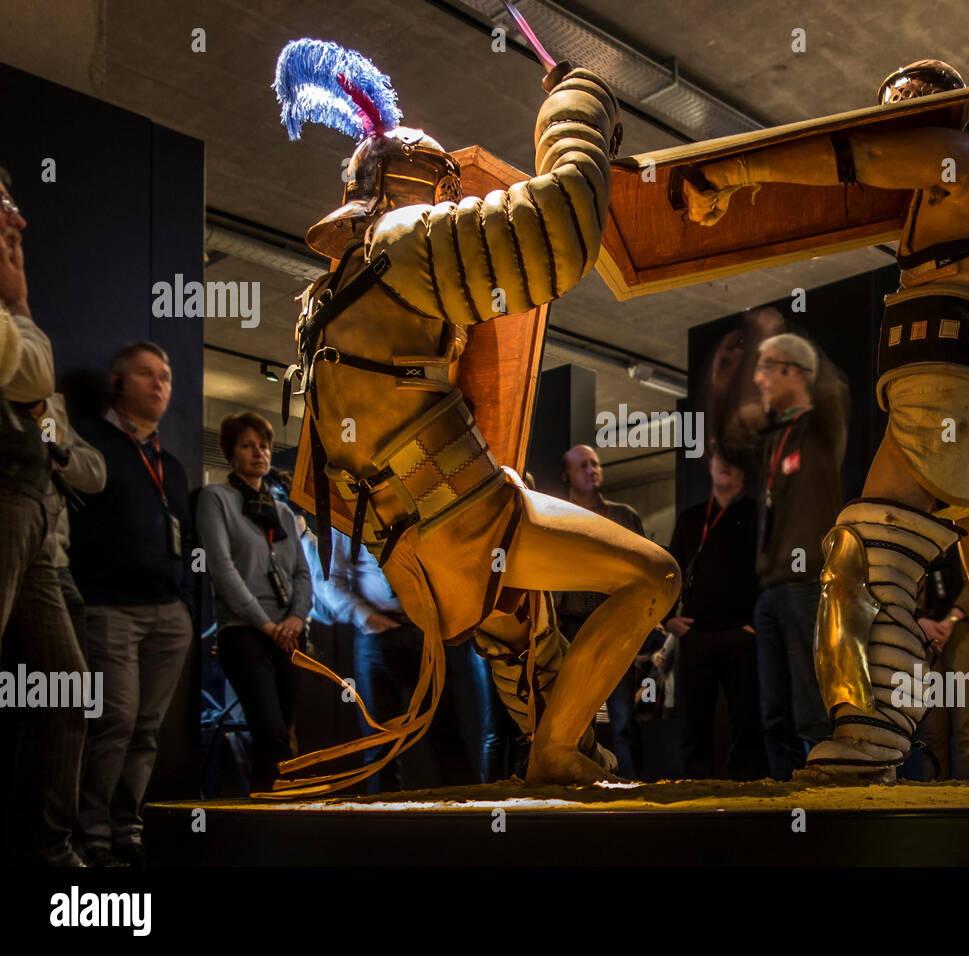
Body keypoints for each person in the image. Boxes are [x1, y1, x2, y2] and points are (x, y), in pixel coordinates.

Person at [270, 39, 677, 793]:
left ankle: (563, 757)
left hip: (416, 540)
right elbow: (560, 229)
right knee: (654, 576)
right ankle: (557, 754)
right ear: (420, 184)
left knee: (528, 635)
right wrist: (578, 106)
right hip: (462, 517)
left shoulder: (333, 291)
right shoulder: (401, 240)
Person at [684, 58, 969, 782]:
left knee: (862, 552)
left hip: (942, 399)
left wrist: (732, 175)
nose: (890, 115)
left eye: (906, 104)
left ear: (945, 111)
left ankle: (870, 747)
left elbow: (856, 154)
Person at [71, 341, 195, 865]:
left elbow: (188, 542)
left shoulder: (170, 463)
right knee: (114, 721)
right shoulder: (91, 442)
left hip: (168, 614)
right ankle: (92, 831)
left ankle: (129, 825)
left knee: (146, 729)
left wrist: (186, 601)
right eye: (146, 374)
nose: (160, 384)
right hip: (110, 610)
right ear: (118, 383)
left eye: (165, 376)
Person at [0, 168, 90, 867]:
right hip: (7, 497)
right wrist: (22, 305)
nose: (18, 223)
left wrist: (47, 426)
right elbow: (33, 380)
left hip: (38, 525)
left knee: (67, 689)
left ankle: (51, 851)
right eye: (4, 207)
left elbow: (75, 456)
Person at [322, 524, 504, 790]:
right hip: (376, 635)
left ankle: (464, 820)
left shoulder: (419, 506)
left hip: (426, 631)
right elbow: (331, 581)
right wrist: (369, 619)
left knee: (447, 732)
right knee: (379, 743)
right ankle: (383, 823)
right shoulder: (347, 517)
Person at [196, 413, 312, 794]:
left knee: (285, 733)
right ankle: (263, 811)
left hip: (291, 637)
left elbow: (302, 574)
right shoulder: (217, 499)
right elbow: (223, 569)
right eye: (247, 445)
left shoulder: (281, 512)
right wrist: (267, 626)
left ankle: (271, 806)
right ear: (230, 453)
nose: (259, 452)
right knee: (271, 732)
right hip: (245, 633)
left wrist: (296, 618)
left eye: (263, 445)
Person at [749, 333, 844, 779]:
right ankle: (785, 800)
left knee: (810, 706)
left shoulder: (822, 423)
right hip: (771, 592)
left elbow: (832, 384)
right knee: (773, 713)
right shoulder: (776, 437)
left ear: (793, 372)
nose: (758, 378)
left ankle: (826, 796)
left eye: (766, 367)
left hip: (806, 589)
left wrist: (786, 337)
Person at [663, 443, 764, 780]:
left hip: (741, 635)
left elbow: (772, 571)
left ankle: (747, 794)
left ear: (744, 470)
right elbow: (669, 570)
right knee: (694, 722)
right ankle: (696, 790)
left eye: (734, 460)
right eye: (721, 458)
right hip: (695, 634)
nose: (726, 466)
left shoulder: (757, 514)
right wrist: (667, 620)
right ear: (709, 466)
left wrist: (756, 625)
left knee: (748, 721)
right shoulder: (692, 517)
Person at [554, 443, 653, 778]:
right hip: (571, 628)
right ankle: (580, 782)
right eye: (583, 465)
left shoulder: (624, 516)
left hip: (614, 626)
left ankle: (630, 785)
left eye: (595, 464)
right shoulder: (557, 518)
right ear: (567, 474)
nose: (591, 470)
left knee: (623, 717)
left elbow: (646, 569)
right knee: (571, 718)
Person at [912, 555, 969, 781]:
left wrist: (952, 619)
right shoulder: (918, 528)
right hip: (925, 632)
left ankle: (968, 802)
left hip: (968, 629)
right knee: (931, 730)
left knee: (966, 727)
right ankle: (934, 801)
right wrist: (918, 620)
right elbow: (903, 579)